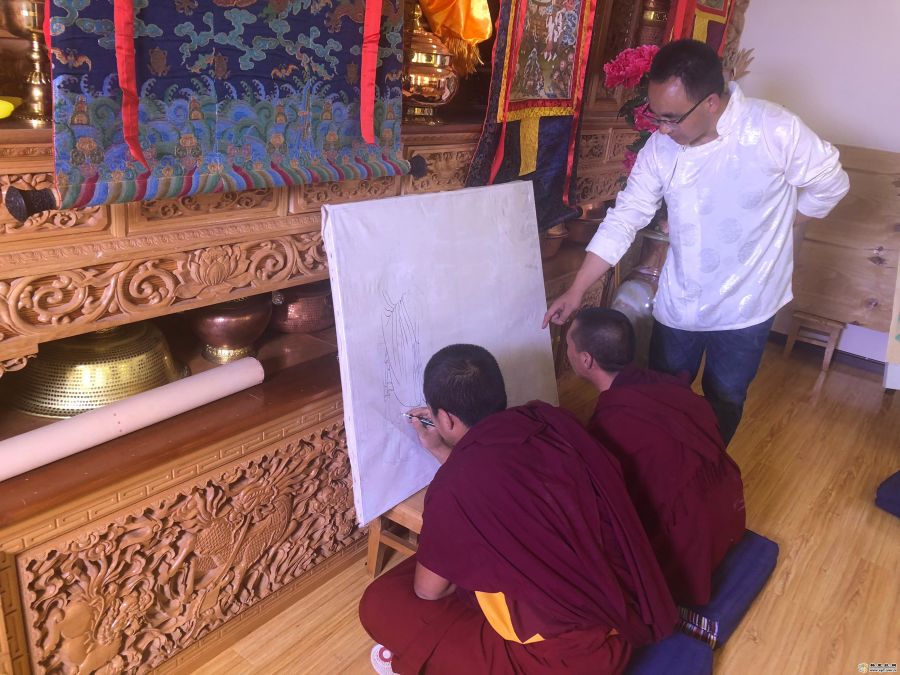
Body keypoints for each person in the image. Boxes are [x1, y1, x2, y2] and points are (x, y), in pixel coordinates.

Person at [544, 39, 850, 445]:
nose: (662, 129)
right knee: (663, 394)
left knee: (725, 399)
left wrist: (786, 222)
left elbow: (831, 182)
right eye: (656, 117)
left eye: (671, 119)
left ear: (710, 103)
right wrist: (577, 289)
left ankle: (704, 471)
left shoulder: (773, 129)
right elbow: (626, 217)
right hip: (681, 301)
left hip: (748, 306)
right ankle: (660, 467)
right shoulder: (661, 149)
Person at [359, 344, 677, 674]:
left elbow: (428, 593)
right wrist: (441, 451)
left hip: (571, 659)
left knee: (380, 603)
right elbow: (511, 486)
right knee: (440, 560)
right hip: (624, 607)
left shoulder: (453, 490)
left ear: (446, 419)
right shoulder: (549, 420)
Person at [567, 308, 746, 605]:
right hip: (729, 512)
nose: (568, 353)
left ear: (586, 360)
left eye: (569, 346)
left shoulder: (610, 425)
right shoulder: (667, 385)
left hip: (691, 550)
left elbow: (618, 511)